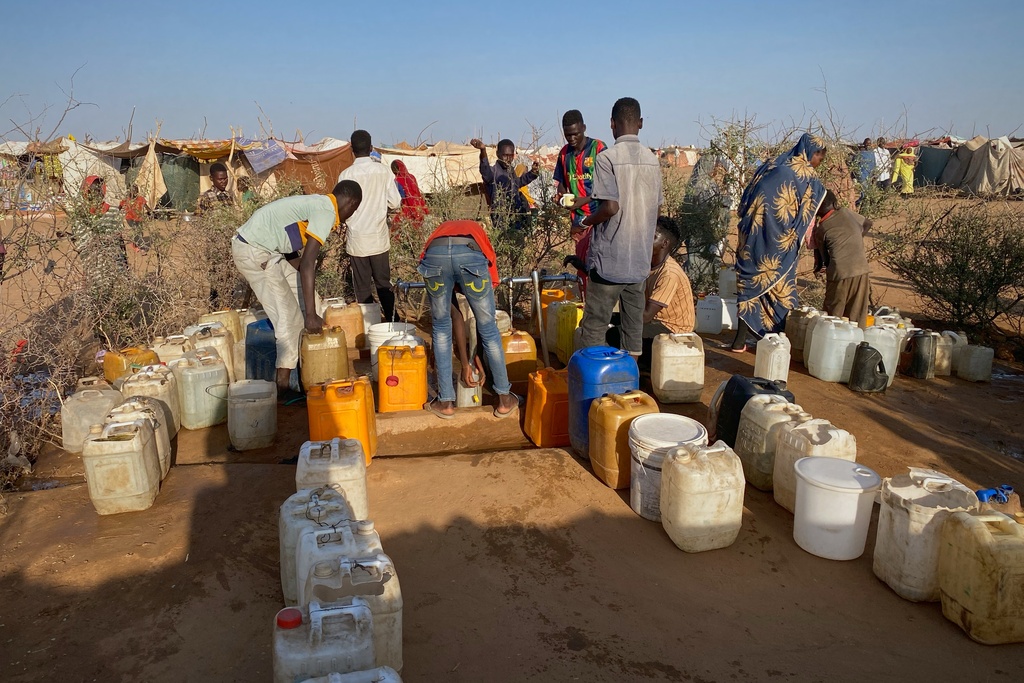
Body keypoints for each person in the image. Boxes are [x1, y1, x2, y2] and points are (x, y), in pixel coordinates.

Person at [231, 180, 362, 394]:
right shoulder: (326, 210)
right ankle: (283, 386)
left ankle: (308, 369)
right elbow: (308, 263)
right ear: (352, 204)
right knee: (289, 320)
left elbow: (289, 242)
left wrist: (310, 304)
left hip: (270, 251)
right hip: (255, 252)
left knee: (313, 302)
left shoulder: (317, 204)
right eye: (353, 210)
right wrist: (309, 315)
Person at [576, 97, 662, 358]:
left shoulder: (606, 158)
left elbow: (610, 207)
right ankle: (630, 389)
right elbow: (655, 210)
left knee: (594, 328)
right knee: (632, 332)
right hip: (638, 263)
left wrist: (586, 222)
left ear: (612, 124)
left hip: (609, 263)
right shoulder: (653, 160)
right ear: (641, 123)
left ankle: (595, 390)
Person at [730, 133, 827, 352]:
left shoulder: (772, 164)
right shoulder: (806, 175)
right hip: (779, 243)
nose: (819, 162)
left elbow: (746, 200)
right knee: (782, 290)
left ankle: (740, 341)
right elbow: (812, 206)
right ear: (811, 152)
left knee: (749, 287)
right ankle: (777, 340)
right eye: (820, 157)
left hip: (751, 237)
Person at [417, 219, 519, 420]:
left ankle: (445, 402)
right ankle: (505, 400)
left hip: (435, 257)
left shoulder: (440, 232)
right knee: (489, 328)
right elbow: (490, 286)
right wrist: (467, 362)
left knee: (440, 328)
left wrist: (471, 359)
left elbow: (455, 316)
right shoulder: (478, 235)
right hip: (469, 255)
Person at [607, 216, 694, 368]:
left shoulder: (669, 273)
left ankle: (635, 370)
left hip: (671, 329)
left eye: (652, 236)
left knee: (616, 334)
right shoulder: (647, 264)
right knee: (602, 320)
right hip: (654, 320)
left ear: (664, 244)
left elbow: (646, 316)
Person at [338, 130, 402, 321]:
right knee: (383, 283)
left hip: (357, 240)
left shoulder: (345, 175)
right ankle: (393, 322)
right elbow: (395, 202)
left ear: (351, 149)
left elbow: (339, 209)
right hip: (378, 239)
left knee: (362, 287)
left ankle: (369, 327)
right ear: (371, 148)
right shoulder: (383, 171)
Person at [554, 109, 607, 294]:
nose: (572, 138)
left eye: (576, 133)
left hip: (600, 218)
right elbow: (561, 183)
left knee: (600, 268)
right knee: (583, 268)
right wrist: (561, 197)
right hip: (578, 223)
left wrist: (583, 200)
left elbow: (610, 187)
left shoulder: (599, 149)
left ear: (584, 128)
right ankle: (588, 311)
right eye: (568, 135)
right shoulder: (564, 154)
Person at [811, 190, 873, 327]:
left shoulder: (822, 228)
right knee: (856, 315)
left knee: (833, 315)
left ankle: (831, 340)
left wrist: (819, 266)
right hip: (861, 269)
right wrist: (856, 238)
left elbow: (825, 260)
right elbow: (867, 223)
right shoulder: (846, 212)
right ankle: (856, 343)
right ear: (834, 203)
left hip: (840, 273)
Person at [470, 137, 538, 232]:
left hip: (516, 217)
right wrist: (483, 151)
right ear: (498, 154)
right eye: (505, 155)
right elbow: (485, 171)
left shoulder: (510, 171)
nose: (508, 159)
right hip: (502, 220)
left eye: (511, 156)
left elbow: (518, 183)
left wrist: (533, 173)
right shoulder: (494, 173)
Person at [390, 159, 428, 228]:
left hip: (407, 209)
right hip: (419, 205)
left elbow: (400, 197)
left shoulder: (397, 181)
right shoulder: (412, 177)